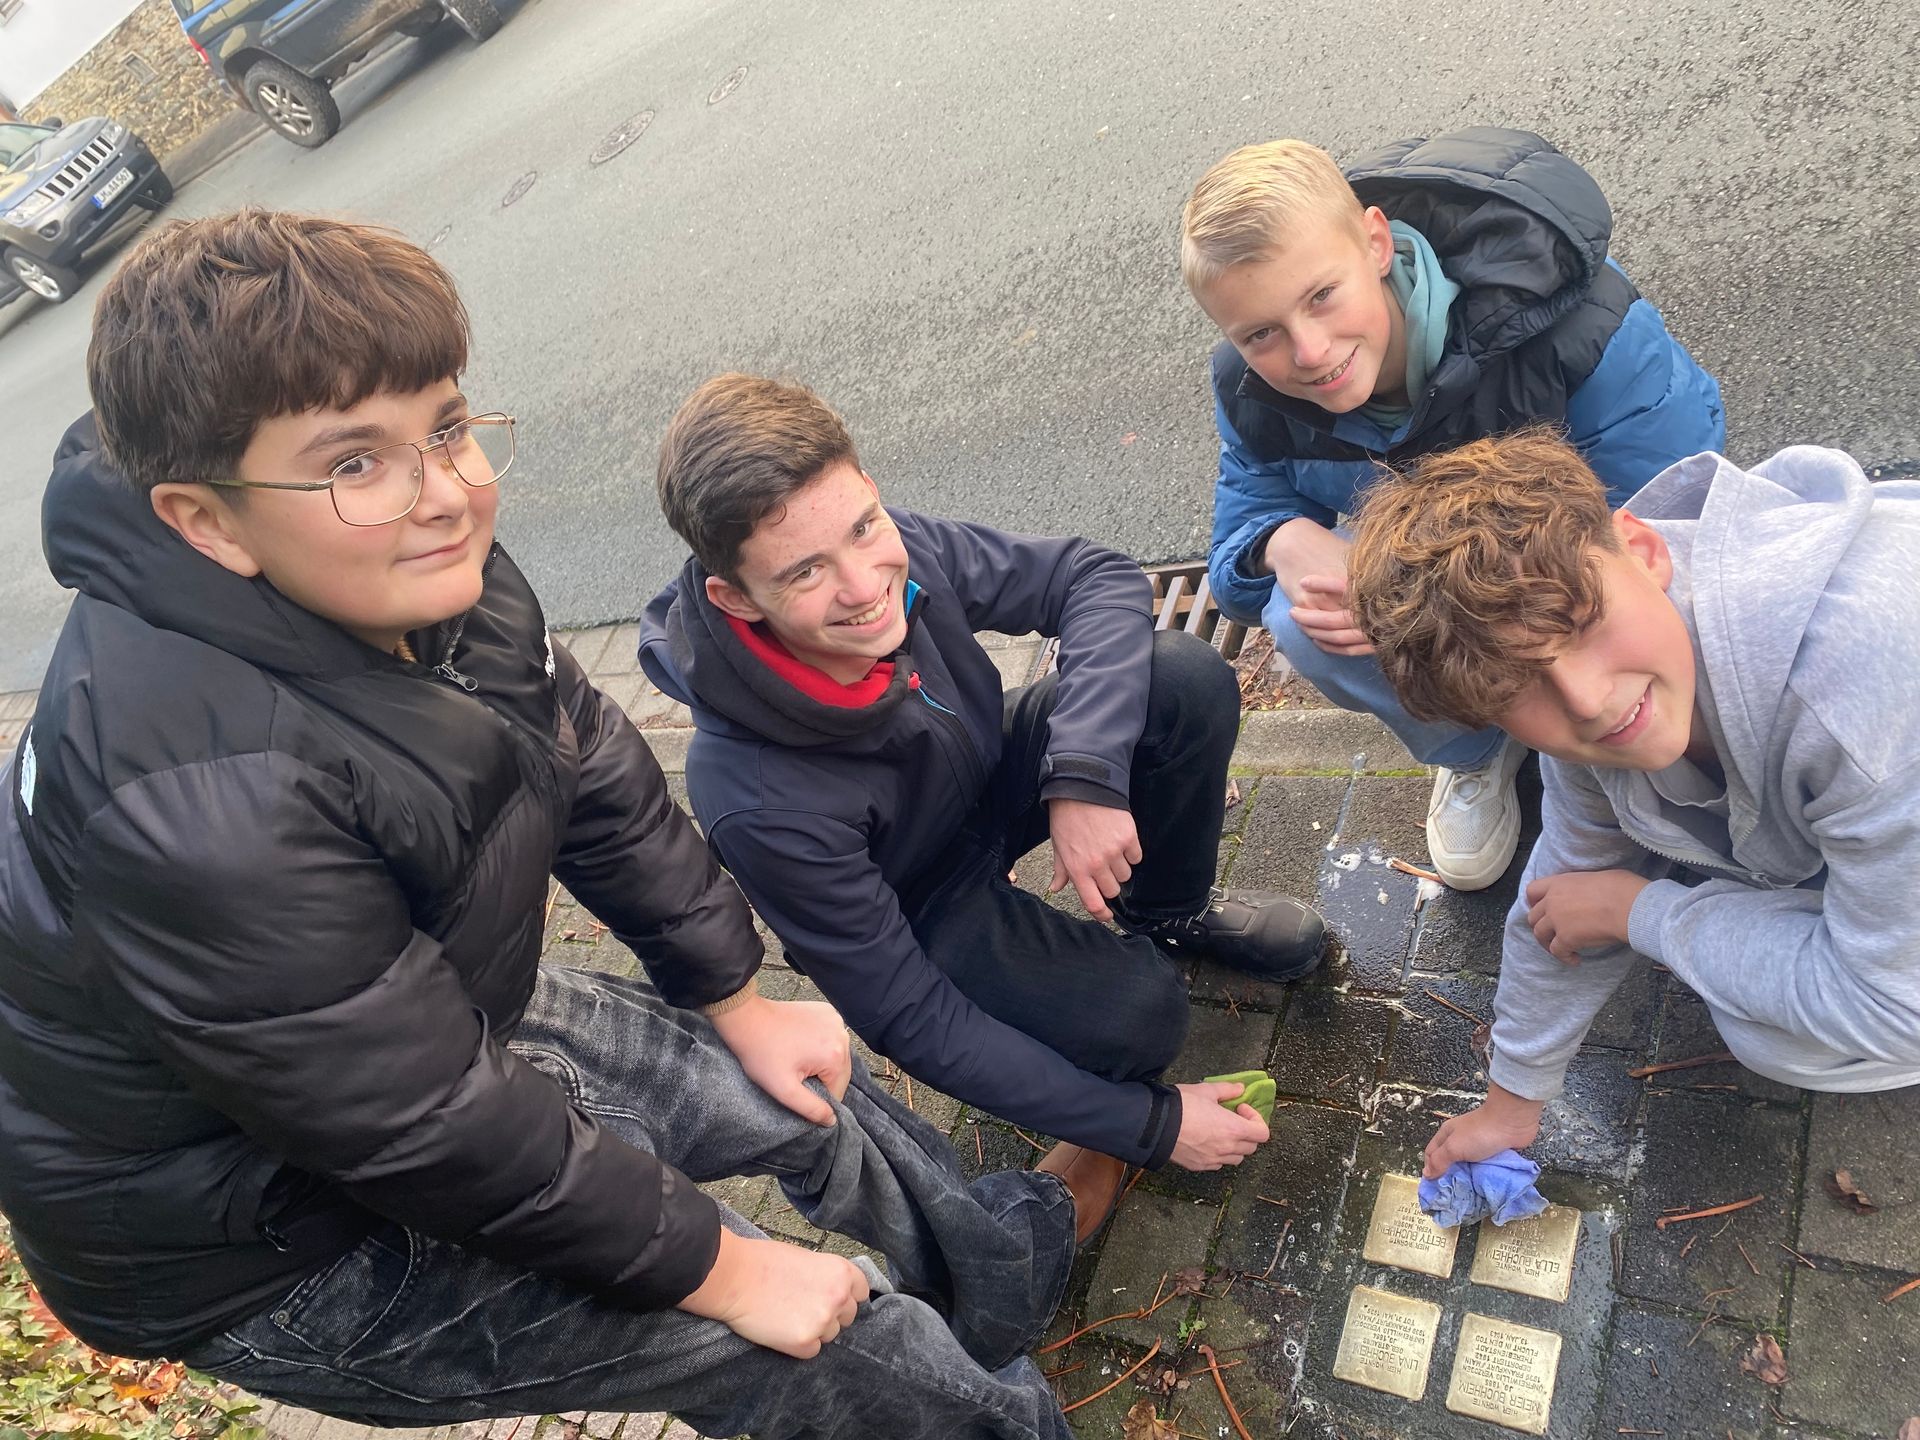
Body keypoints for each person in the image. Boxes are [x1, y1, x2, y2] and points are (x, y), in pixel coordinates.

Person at [0, 211, 1097, 1440]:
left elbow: (579, 742)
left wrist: (735, 994)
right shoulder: (198, 805)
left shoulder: (398, 558)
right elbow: (424, 1131)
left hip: (392, 1017)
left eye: (447, 426)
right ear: (204, 521)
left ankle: (1002, 1272)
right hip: (266, 1233)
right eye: (355, 463)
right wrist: (727, 1270)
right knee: (805, 1348)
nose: (449, 495)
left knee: (800, 1086)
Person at [641, 374, 1327, 1231]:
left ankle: (1171, 912)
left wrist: (1083, 773)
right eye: (807, 571)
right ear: (736, 597)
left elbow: (1090, 576)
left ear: (868, 491)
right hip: (919, 896)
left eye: (863, 526)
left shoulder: (890, 550)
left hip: (987, 766)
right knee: (1144, 1018)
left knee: (1179, 680)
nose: (863, 586)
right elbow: (911, 1019)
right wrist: (1150, 1125)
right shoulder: (752, 796)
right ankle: (1090, 1094)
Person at [1339, 429, 1920, 1178]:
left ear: (1643, 550)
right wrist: (1514, 1098)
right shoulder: (1609, 704)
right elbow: (1561, 891)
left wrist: (1644, 913)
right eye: (1519, 688)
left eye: (1583, 626)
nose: (1587, 701)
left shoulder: (1857, 710)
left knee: (1783, 1039)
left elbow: (1894, 1005)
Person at [1182, 126, 1725, 890]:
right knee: (1294, 613)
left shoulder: (1574, 324)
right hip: (1455, 569)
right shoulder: (1249, 387)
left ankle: (1632, 723)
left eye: (1322, 297)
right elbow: (1240, 530)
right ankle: (1477, 747)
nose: (1309, 352)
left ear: (1376, 244)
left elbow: (1674, 501)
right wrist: (1281, 539)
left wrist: (1453, 594)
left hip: (1575, 570)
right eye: (1261, 333)